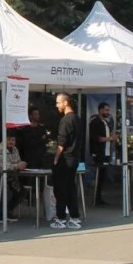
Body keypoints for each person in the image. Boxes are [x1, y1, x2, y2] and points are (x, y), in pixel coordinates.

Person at [51, 92, 83, 229]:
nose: (56, 105)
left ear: (65, 103)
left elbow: (61, 143)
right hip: (74, 158)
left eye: (58, 102)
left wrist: (56, 159)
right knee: (70, 188)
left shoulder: (66, 120)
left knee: (61, 189)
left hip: (65, 159)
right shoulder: (77, 118)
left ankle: (61, 218)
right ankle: (75, 217)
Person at [88, 101, 118, 207]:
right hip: (98, 153)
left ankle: (99, 197)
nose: (108, 112)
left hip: (106, 152)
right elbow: (97, 138)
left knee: (102, 176)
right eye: (106, 110)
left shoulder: (106, 122)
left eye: (109, 110)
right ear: (100, 110)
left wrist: (112, 138)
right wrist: (110, 138)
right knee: (98, 174)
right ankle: (95, 198)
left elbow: (106, 137)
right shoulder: (95, 122)